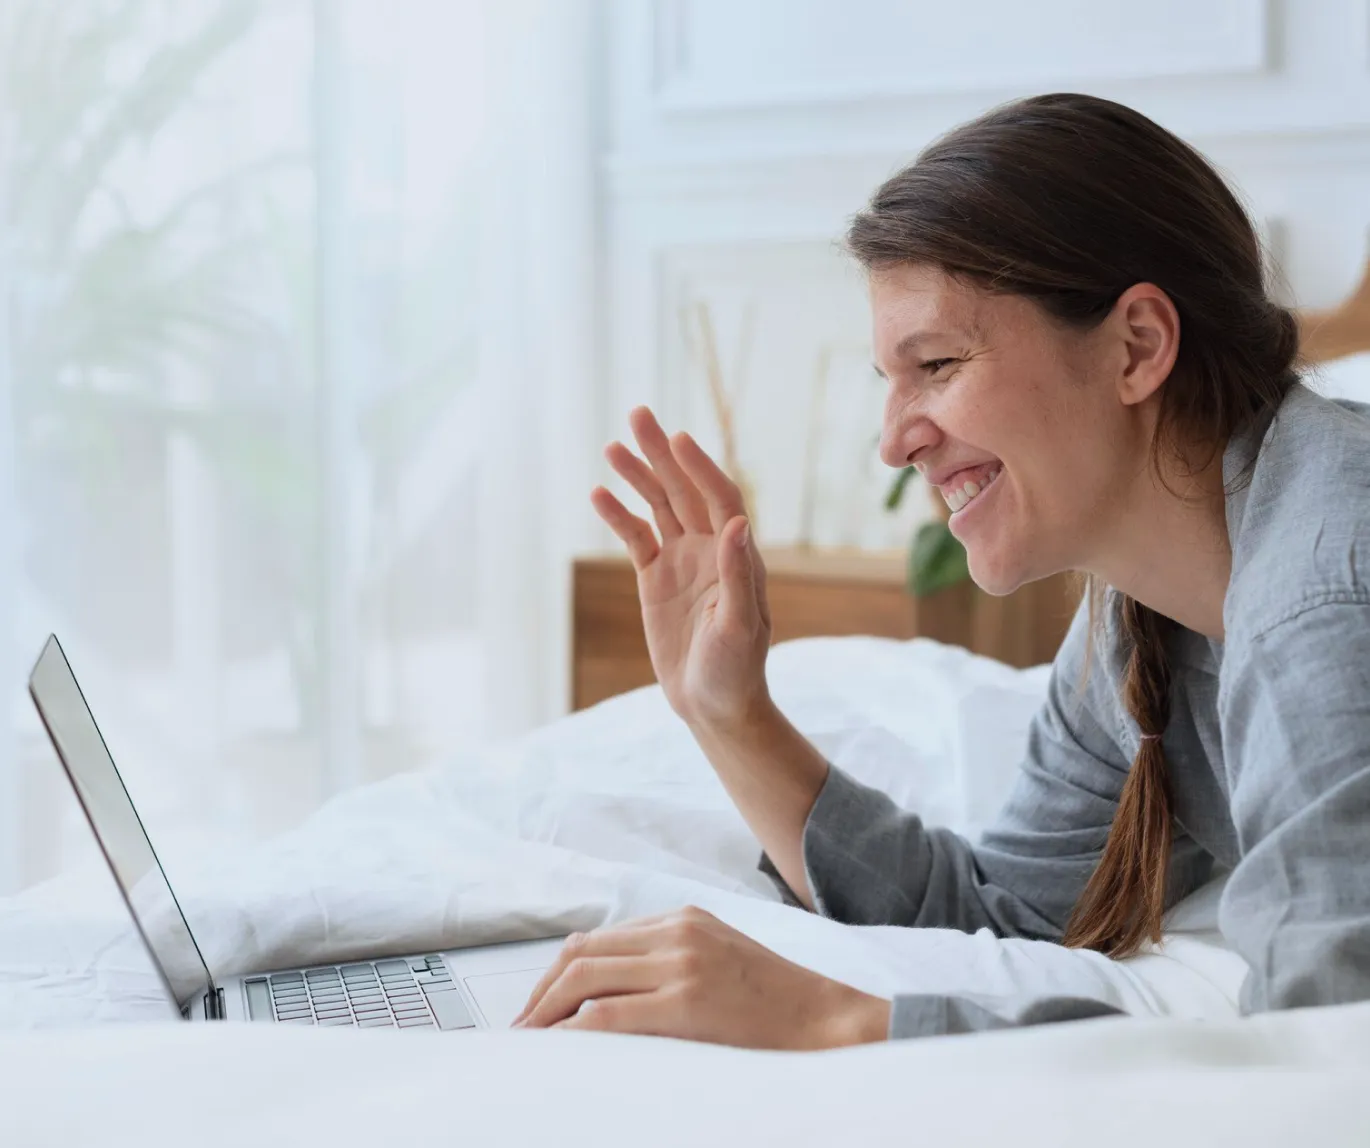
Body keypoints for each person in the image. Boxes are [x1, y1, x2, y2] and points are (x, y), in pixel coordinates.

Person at [515, 92, 1370, 1046]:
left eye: (937, 364)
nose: (894, 443)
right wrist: (728, 711)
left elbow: (1325, 1061)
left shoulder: (1322, 608)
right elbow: (1010, 916)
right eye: (891, 381)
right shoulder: (1136, 625)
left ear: (1138, 346)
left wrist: (845, 1021)